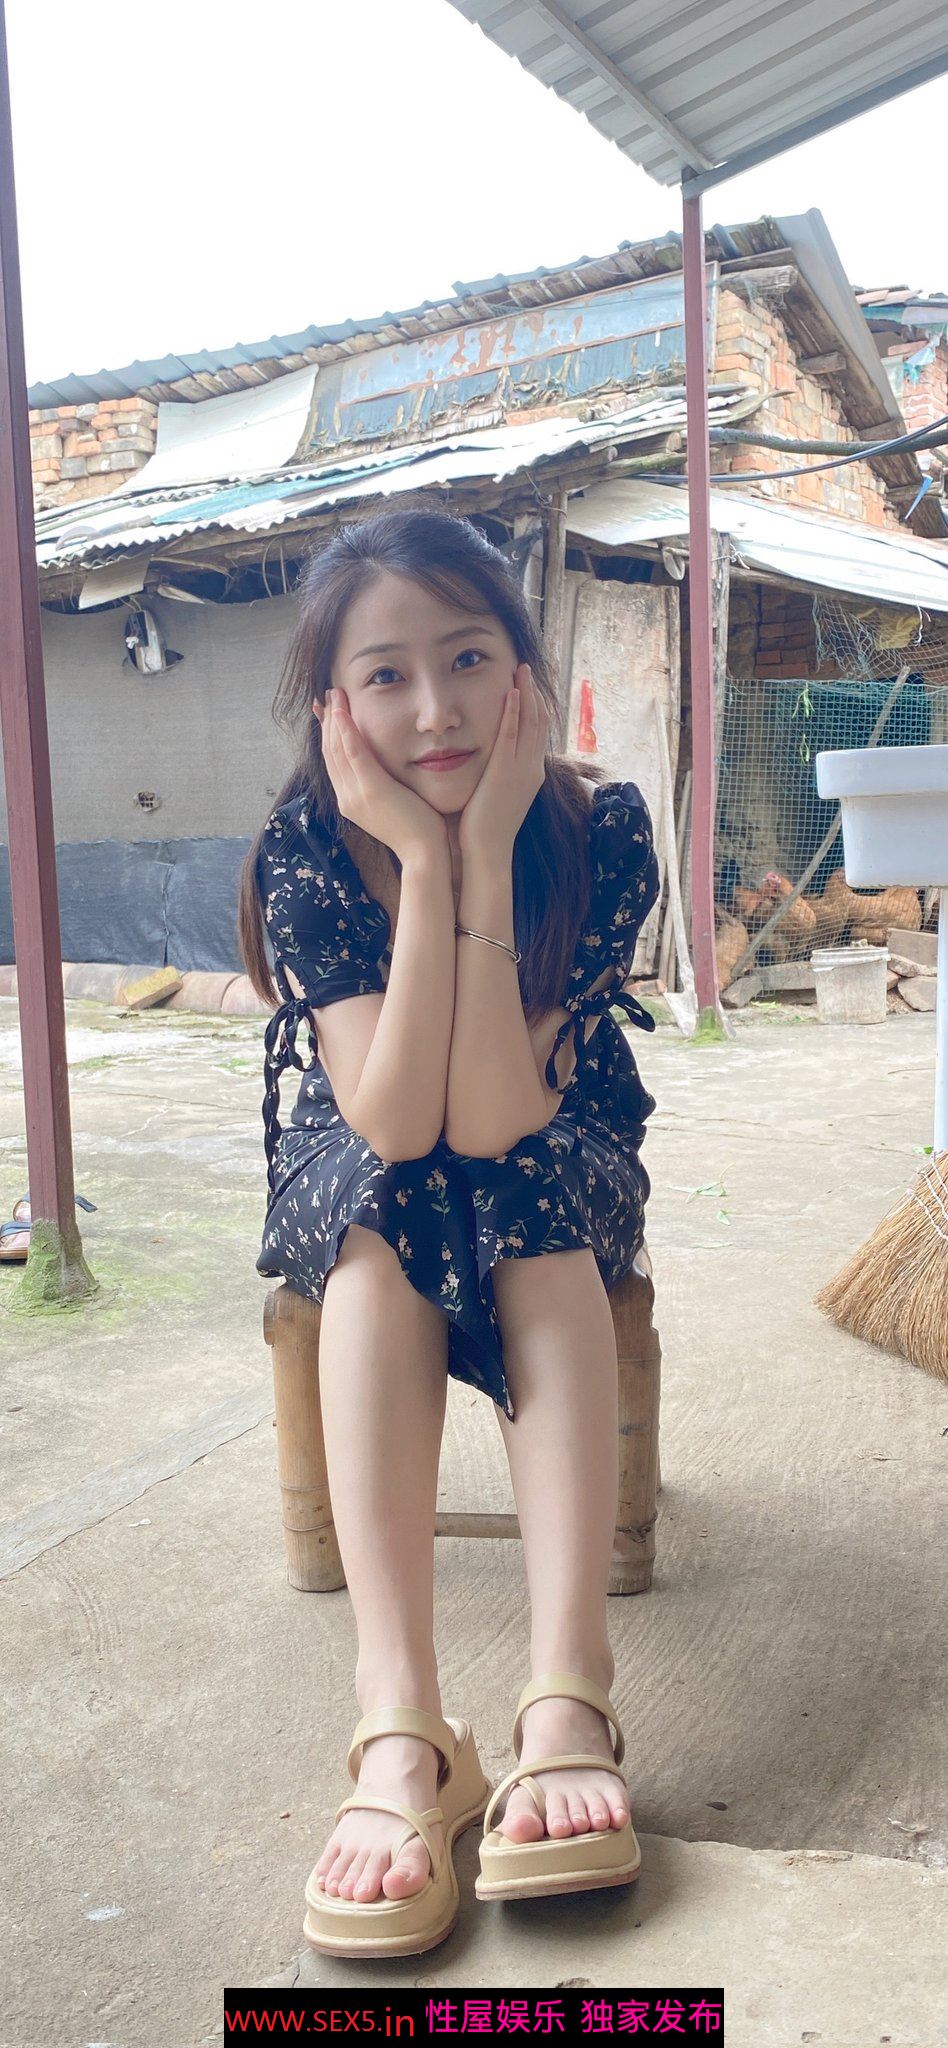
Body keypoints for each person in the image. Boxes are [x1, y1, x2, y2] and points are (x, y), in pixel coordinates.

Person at [238, 504, 660, 1953]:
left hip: (549, 1128)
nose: (435, 709)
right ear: (333, 706)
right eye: (387, 675)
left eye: (469, 657)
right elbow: (390, 1118)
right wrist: (422, 868)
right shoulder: (307, 845)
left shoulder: (602, 830)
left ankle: (566, 1691)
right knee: (381, 1216)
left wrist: (481, 848)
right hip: (364, 1137)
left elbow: (492, 1117)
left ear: (522, 666)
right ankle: (402, 1723)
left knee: (518, 1200)